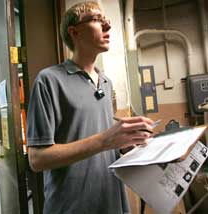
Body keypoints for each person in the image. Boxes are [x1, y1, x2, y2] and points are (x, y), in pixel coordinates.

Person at [26, 2, 154, 214]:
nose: (107, 27)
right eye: (97, 20)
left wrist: (127, 144)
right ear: (74, 32)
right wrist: (105, 140)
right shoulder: (49, 81)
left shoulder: (106, 82)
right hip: (71, 206)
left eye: (107, 21)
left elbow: (101, 141)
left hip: (111, 201)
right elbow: (37, 159)